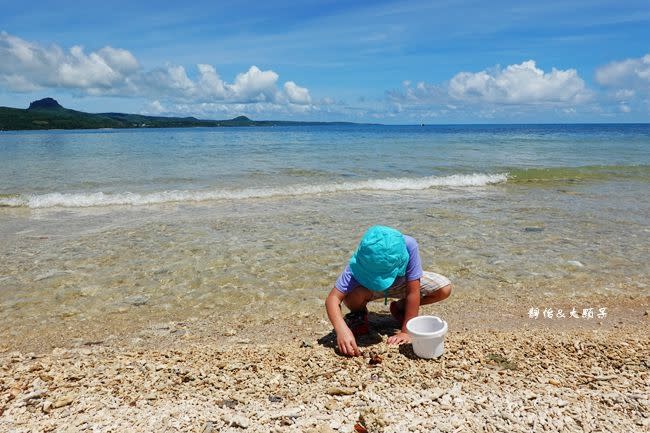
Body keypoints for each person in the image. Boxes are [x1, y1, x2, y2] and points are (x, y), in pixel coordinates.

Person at [325, 225, 452, 356]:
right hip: (370, 289)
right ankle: (359, 315)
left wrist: (406, 331)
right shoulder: (364, 258)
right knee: (351, 295)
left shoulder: (409, 246)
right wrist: (342, 330)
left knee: (444, 289)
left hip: (402, 283)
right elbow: (333, 299)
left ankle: (401, 307)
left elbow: (413, 292)